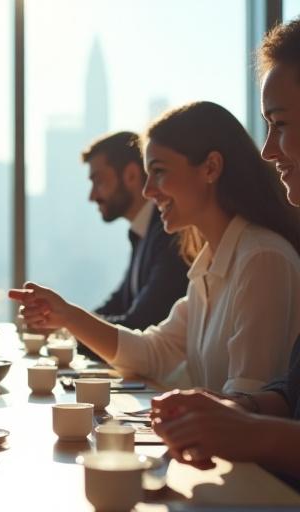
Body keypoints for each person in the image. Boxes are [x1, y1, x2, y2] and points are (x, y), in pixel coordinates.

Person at [11, 100, 300, 394]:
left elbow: (247, 403)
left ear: (210, 167)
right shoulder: (209, 264)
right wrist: (68, 316)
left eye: (159, 172)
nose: (148, 191)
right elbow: (152, 352)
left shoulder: (262, 259)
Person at [151, 17, 300, 482]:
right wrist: (231, 410)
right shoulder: (209, 261)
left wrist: (245, 429)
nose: (268, 151)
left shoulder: (263, 257)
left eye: (279, 125)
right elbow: (292, 394)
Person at [83, 131, 188, 330]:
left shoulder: (169, 233)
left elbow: (139, 324)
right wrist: (63, 327)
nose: (92, 195)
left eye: (99, 181)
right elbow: (118, 302)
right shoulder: (142, 232)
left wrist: (69, 328)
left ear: (131, 175)